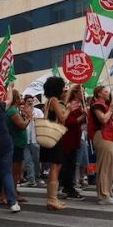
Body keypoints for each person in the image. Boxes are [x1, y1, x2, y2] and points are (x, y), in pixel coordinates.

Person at [40, 77, 70, 210]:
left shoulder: (48, 101)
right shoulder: (54, 100)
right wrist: (68, 109)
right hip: (55, 137)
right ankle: (52, 199)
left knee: (55, 167)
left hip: (49, 136)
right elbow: (62, 118)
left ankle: (52, 198)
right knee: (55, 167)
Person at [88, 86, 113, 203]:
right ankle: (103, 195)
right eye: (106, 91)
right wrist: (110, 110)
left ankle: (108, 191)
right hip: (102, 136)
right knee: (104, 166)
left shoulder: (105, 105)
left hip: (108, 136)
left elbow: (110, 119)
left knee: (109, 165)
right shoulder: (97, 105)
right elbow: (103, 119)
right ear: (99, 93)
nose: (108, 93)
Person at [59, 85, 86, 201]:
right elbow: (69, 122)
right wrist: (83, 116)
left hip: (75, 137)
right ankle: (68, 188)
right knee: (68, 164)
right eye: (82, 92)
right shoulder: (72, 104)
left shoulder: (79, 104)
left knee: (71, 163)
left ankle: (67, 187)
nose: (83, 94)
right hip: (68, 138)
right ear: (75, 93)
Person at [5, 90, 31, 203]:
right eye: (20, 96)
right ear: (15, 99)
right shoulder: (12, 111)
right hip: (15, 144)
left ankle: (11, 192)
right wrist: (29, 117)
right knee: (15, 171)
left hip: (18, 144)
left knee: (16, 171)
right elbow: (21, 125)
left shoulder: (15, 110)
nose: (22, 97)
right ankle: (11, 193)